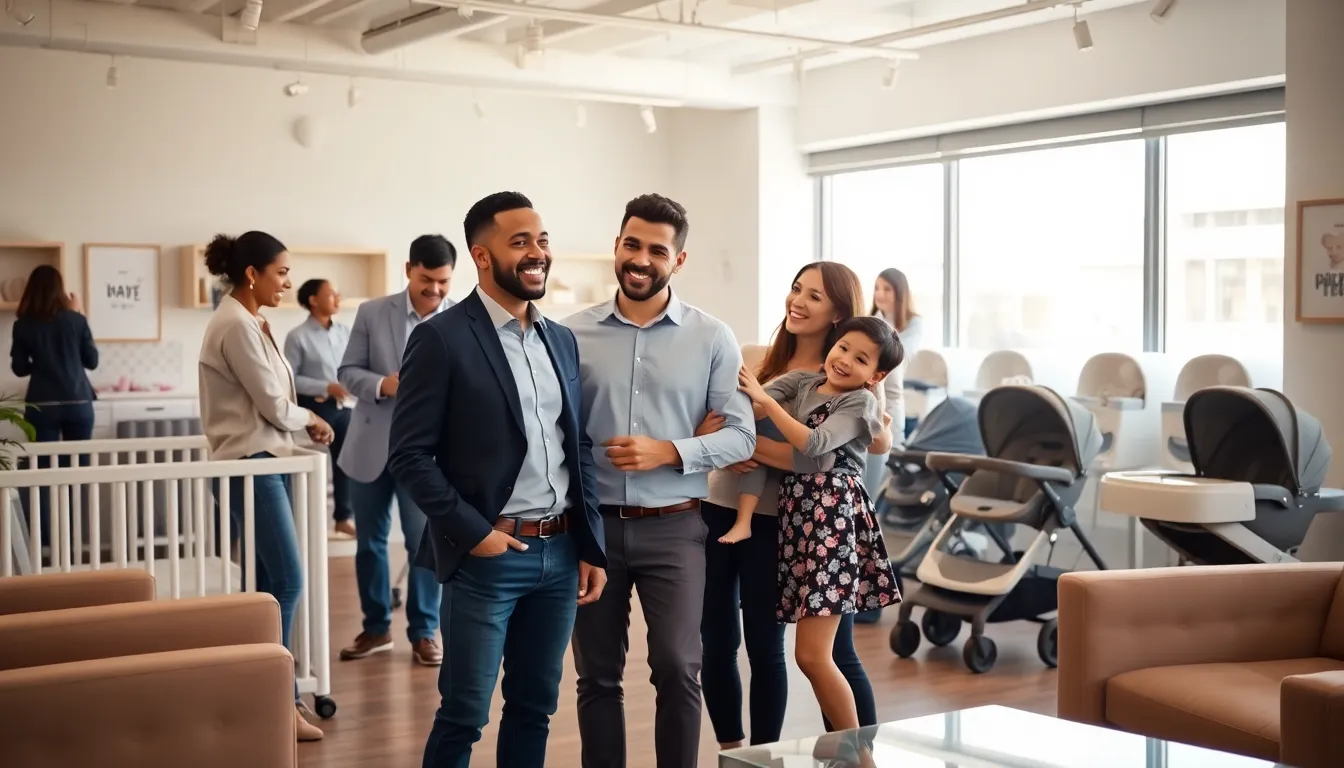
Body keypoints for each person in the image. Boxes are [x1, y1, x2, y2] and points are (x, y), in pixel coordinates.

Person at [387, 191, 607, 768]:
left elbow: (575, 445)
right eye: (520, 242)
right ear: (482, 257)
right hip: (488, 556)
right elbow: (409, 455)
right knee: (464, 714)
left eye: (542, 240)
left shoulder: (559, 338)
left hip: (560, 557)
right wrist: (473, 532)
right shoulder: (440, 338)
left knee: (534, 708)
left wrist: (591, 544)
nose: (537, 253)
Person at [566, 193, 756, 768]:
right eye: (632, 245)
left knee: (678, 665)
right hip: (592, 528)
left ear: (679, 259)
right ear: (617, 247)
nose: (641, 259)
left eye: (657, 249)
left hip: (675, 528)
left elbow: (741, 438)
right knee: (596, 675)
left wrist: (669, 451)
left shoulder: (713, 337)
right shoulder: (568, 334)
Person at [700, 262, 889, 749]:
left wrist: (744, 445)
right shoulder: (757, 357)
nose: (797, 302)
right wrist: (713, 436)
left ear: (839, 315)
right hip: (720, 506)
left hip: (791, 524)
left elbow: (830, 453)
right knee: (716, 644)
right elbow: (714, 419)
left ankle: (802, 753)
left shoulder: (853, 377)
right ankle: (731, 750)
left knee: (782, 652)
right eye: (796, 289)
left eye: (815, 297)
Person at [196, 230, 334, 743]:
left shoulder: (248, 320)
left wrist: (301, 418)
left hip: (263, 460)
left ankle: (260, 692)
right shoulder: (235, 324)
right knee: (289, 579)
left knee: (264, 589)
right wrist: (313, 418)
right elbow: (274, 406)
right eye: (280, 272)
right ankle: (283, 697)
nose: (288, 282)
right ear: (252, 274)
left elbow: (274, 400)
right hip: (250, 462)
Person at [735, 315, 903, 732]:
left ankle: (859, 757)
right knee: (811, 656)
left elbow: (815, 446)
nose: (844, 359)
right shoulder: (804, 382)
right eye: (843, 347)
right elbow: (751, 402)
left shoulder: (861, 403)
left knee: (813, 656)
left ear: (875, 376)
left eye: (861, 358)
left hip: (832, 519)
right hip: (802, 521)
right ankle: (856, 755)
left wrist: (767, 403)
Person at [336, 235, 454, 666]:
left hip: (426, 455)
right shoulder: (371, 312)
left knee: (425, 543)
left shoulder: (462, 319)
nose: (435, 290)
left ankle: (424, 632)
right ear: (408, 270)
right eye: (427, 280)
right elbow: (347, 372)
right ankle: (376, 627)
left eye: (443, 282)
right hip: (369, 447)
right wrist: (385, 385)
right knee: (370, 544)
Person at [10, 265, 98, 526]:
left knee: (42, 475)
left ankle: (45, 543)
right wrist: (78, 313)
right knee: (77, 474)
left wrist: (41, 361)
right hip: (79, 403)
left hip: (42, 405)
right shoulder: (77, 320)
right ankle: (75, 543)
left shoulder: (23, 325)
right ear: (60, 290)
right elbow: (91, 361)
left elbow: (19, 368)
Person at [284, 278, 355, 538]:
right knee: (334, 441)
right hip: (314, 406)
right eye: (331, 293)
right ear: (313, 301)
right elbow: (291, 378)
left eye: (337, 293)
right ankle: (304, 520)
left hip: (344, 404)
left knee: (348, 456)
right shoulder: (297, 336)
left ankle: (343, 517)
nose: (337, 297)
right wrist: (326, 387)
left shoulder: (345, 332)